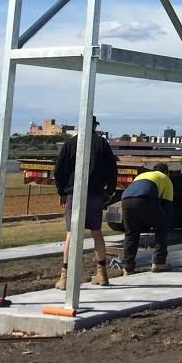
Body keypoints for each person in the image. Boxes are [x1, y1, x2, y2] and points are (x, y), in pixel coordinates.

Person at [53, 116, 119, 288]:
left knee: (71, 234)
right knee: (96, 232)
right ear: (94, 126)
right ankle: (101, 273)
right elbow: (112, 168)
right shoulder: (101, 143)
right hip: (95, 194)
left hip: (74, 194)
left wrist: (61, 192)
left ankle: (65, 277)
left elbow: (59, 169)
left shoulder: (70, 144)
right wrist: (110, 191)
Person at [119, 162, 173, 274]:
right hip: (145, 198)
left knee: (131, 233)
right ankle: (159, 262)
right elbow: (167, 206)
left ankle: (128, 267)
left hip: (126, 200)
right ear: (166, 173)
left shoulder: (142, 176)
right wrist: (164, 221)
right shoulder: (166, 179)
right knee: (162, 226)